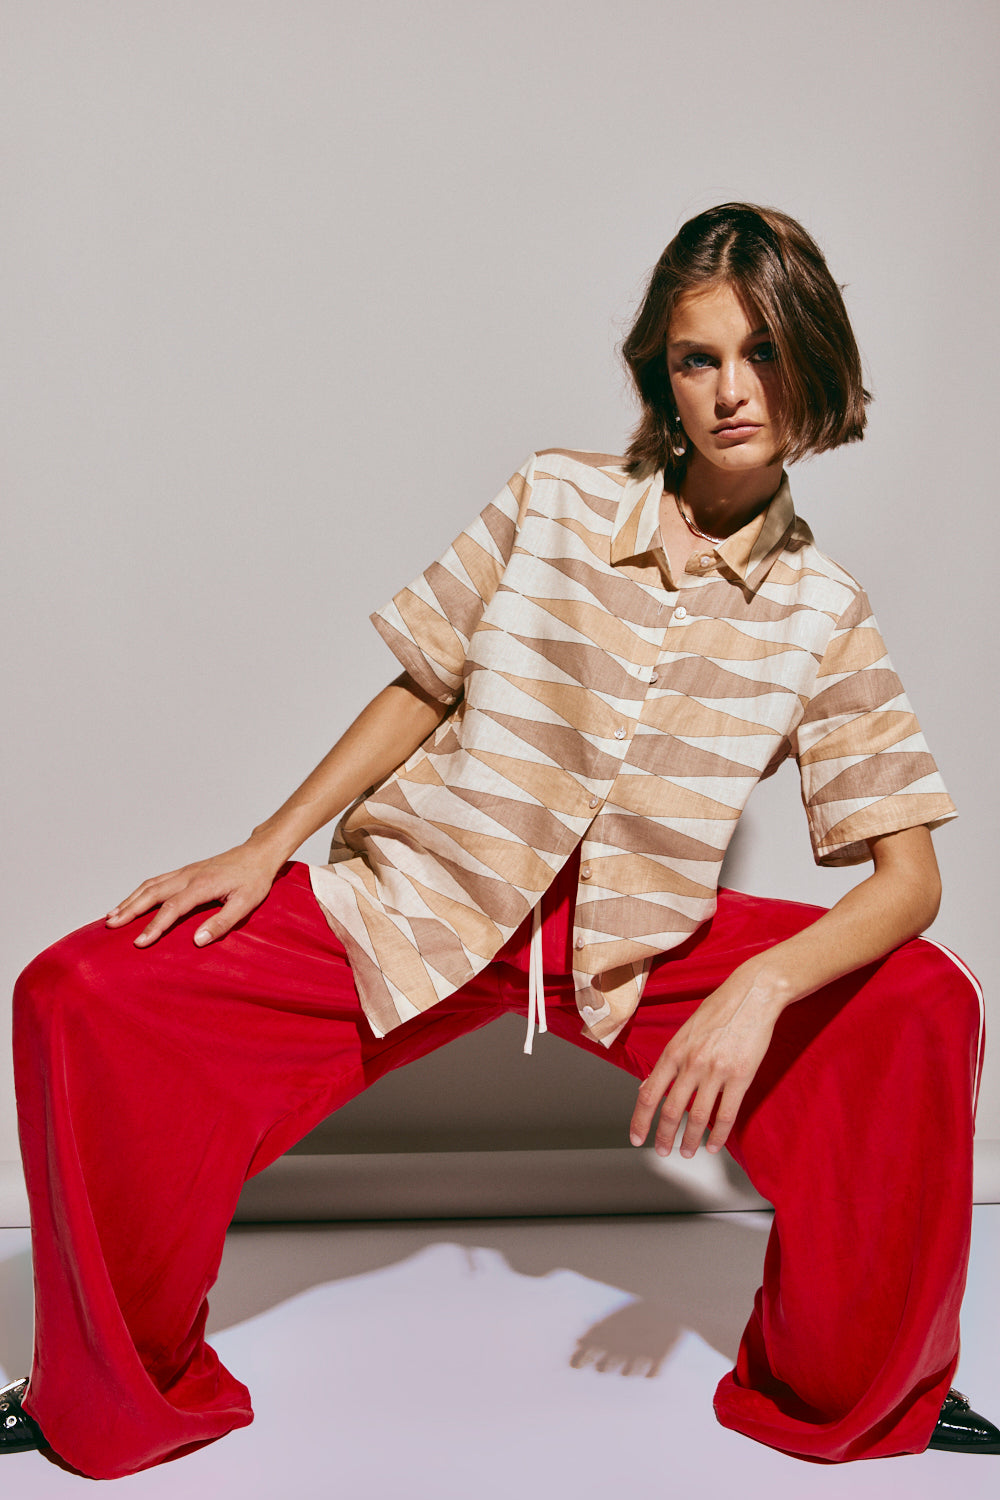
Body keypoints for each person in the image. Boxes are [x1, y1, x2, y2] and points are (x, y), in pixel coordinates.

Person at [4, 203, 997, 1476]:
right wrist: (265, 846)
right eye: (697, 359)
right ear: (661, 376)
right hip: (428, 897)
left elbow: (908, 882)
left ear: (815, 357)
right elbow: (426, 682)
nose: (732, 391)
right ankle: (102, 1388)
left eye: (762, 351)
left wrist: (757, 988)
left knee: (919, 1001)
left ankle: (874, 1385)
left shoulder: (825, 612)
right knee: (83, 992)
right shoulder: (555, 499)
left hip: (633, 944)